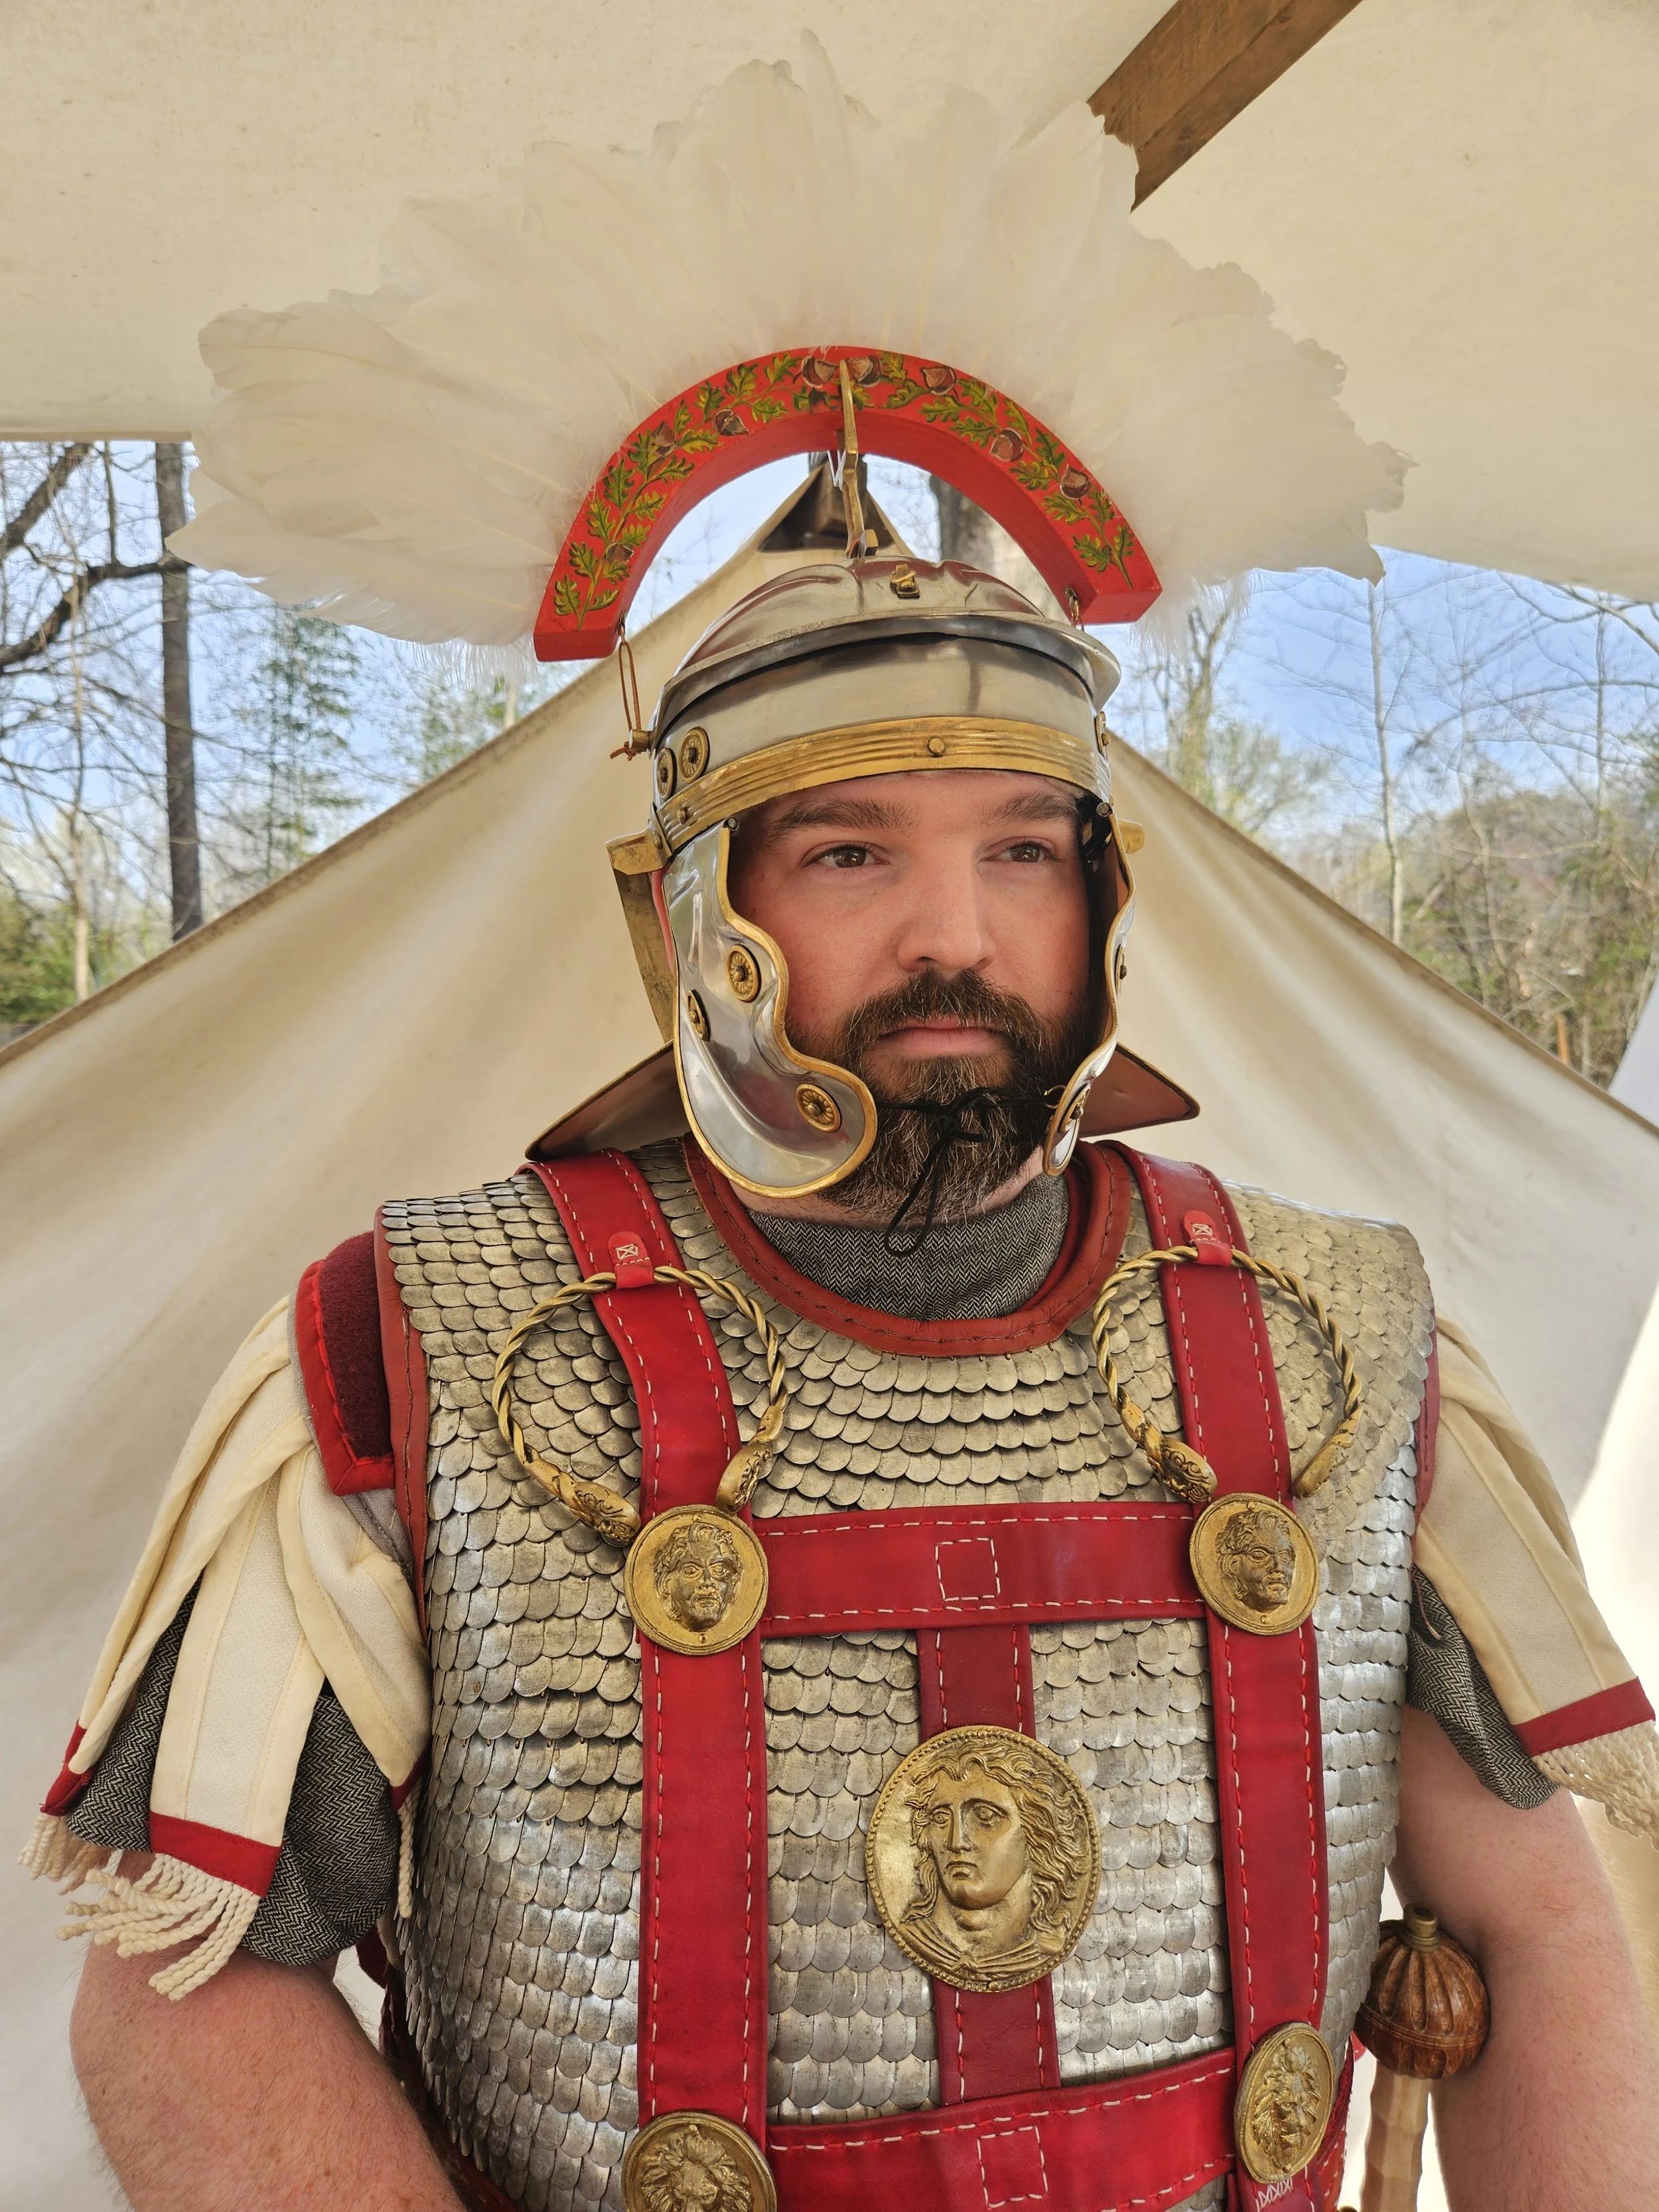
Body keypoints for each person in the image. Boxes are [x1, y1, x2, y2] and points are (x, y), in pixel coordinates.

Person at [31, 550, 1659, 2212]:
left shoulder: (1339, 1341)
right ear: (696, 914)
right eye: (847, 851)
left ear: (1101, 893)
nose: (953, 934)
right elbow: (192, 1984)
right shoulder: (420, 1340)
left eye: (1021, 849)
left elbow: (1526, 1929)